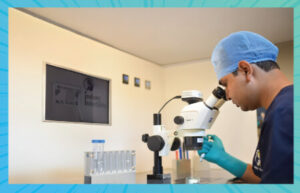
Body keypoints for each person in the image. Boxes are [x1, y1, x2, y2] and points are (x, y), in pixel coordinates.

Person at [198, 31, 293, 184]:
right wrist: (223, 158)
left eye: (226, 84)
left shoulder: (284, 112)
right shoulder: (284, 106)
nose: (227, 96)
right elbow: (267, 178)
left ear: (246, 70)